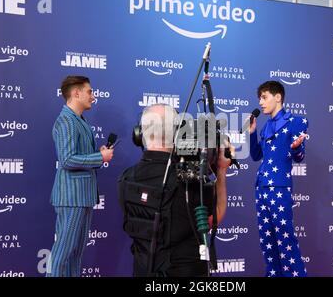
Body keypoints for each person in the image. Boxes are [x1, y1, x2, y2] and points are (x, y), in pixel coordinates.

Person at [118, 104, 232, 277]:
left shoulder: (126, 178)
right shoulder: (189, 180)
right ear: (177, 133)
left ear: (140, 134)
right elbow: (213, 218)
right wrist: (222, 171)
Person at [47, 75, 114, 277]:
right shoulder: (66, 120)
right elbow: (67, 160)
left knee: (75, 253)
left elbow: (80, 157)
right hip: (71, 197)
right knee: (62, 253)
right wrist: (99, 157)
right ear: (76, 93)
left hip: (82, 196)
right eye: (90, 91)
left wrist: (98, 155)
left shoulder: (78, 120)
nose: (93, 96)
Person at [248, 80, 308, 277]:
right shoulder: (266, 126)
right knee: (267, 241)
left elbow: (299, 157)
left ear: (278, 97)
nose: (261, 102)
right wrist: (252, 133)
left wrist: (297, 147)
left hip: (279, 188)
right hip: (261, 187)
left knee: (286, 239)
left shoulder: (296, 122)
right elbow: (256, 156)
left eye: (264, 97)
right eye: (260, 98)